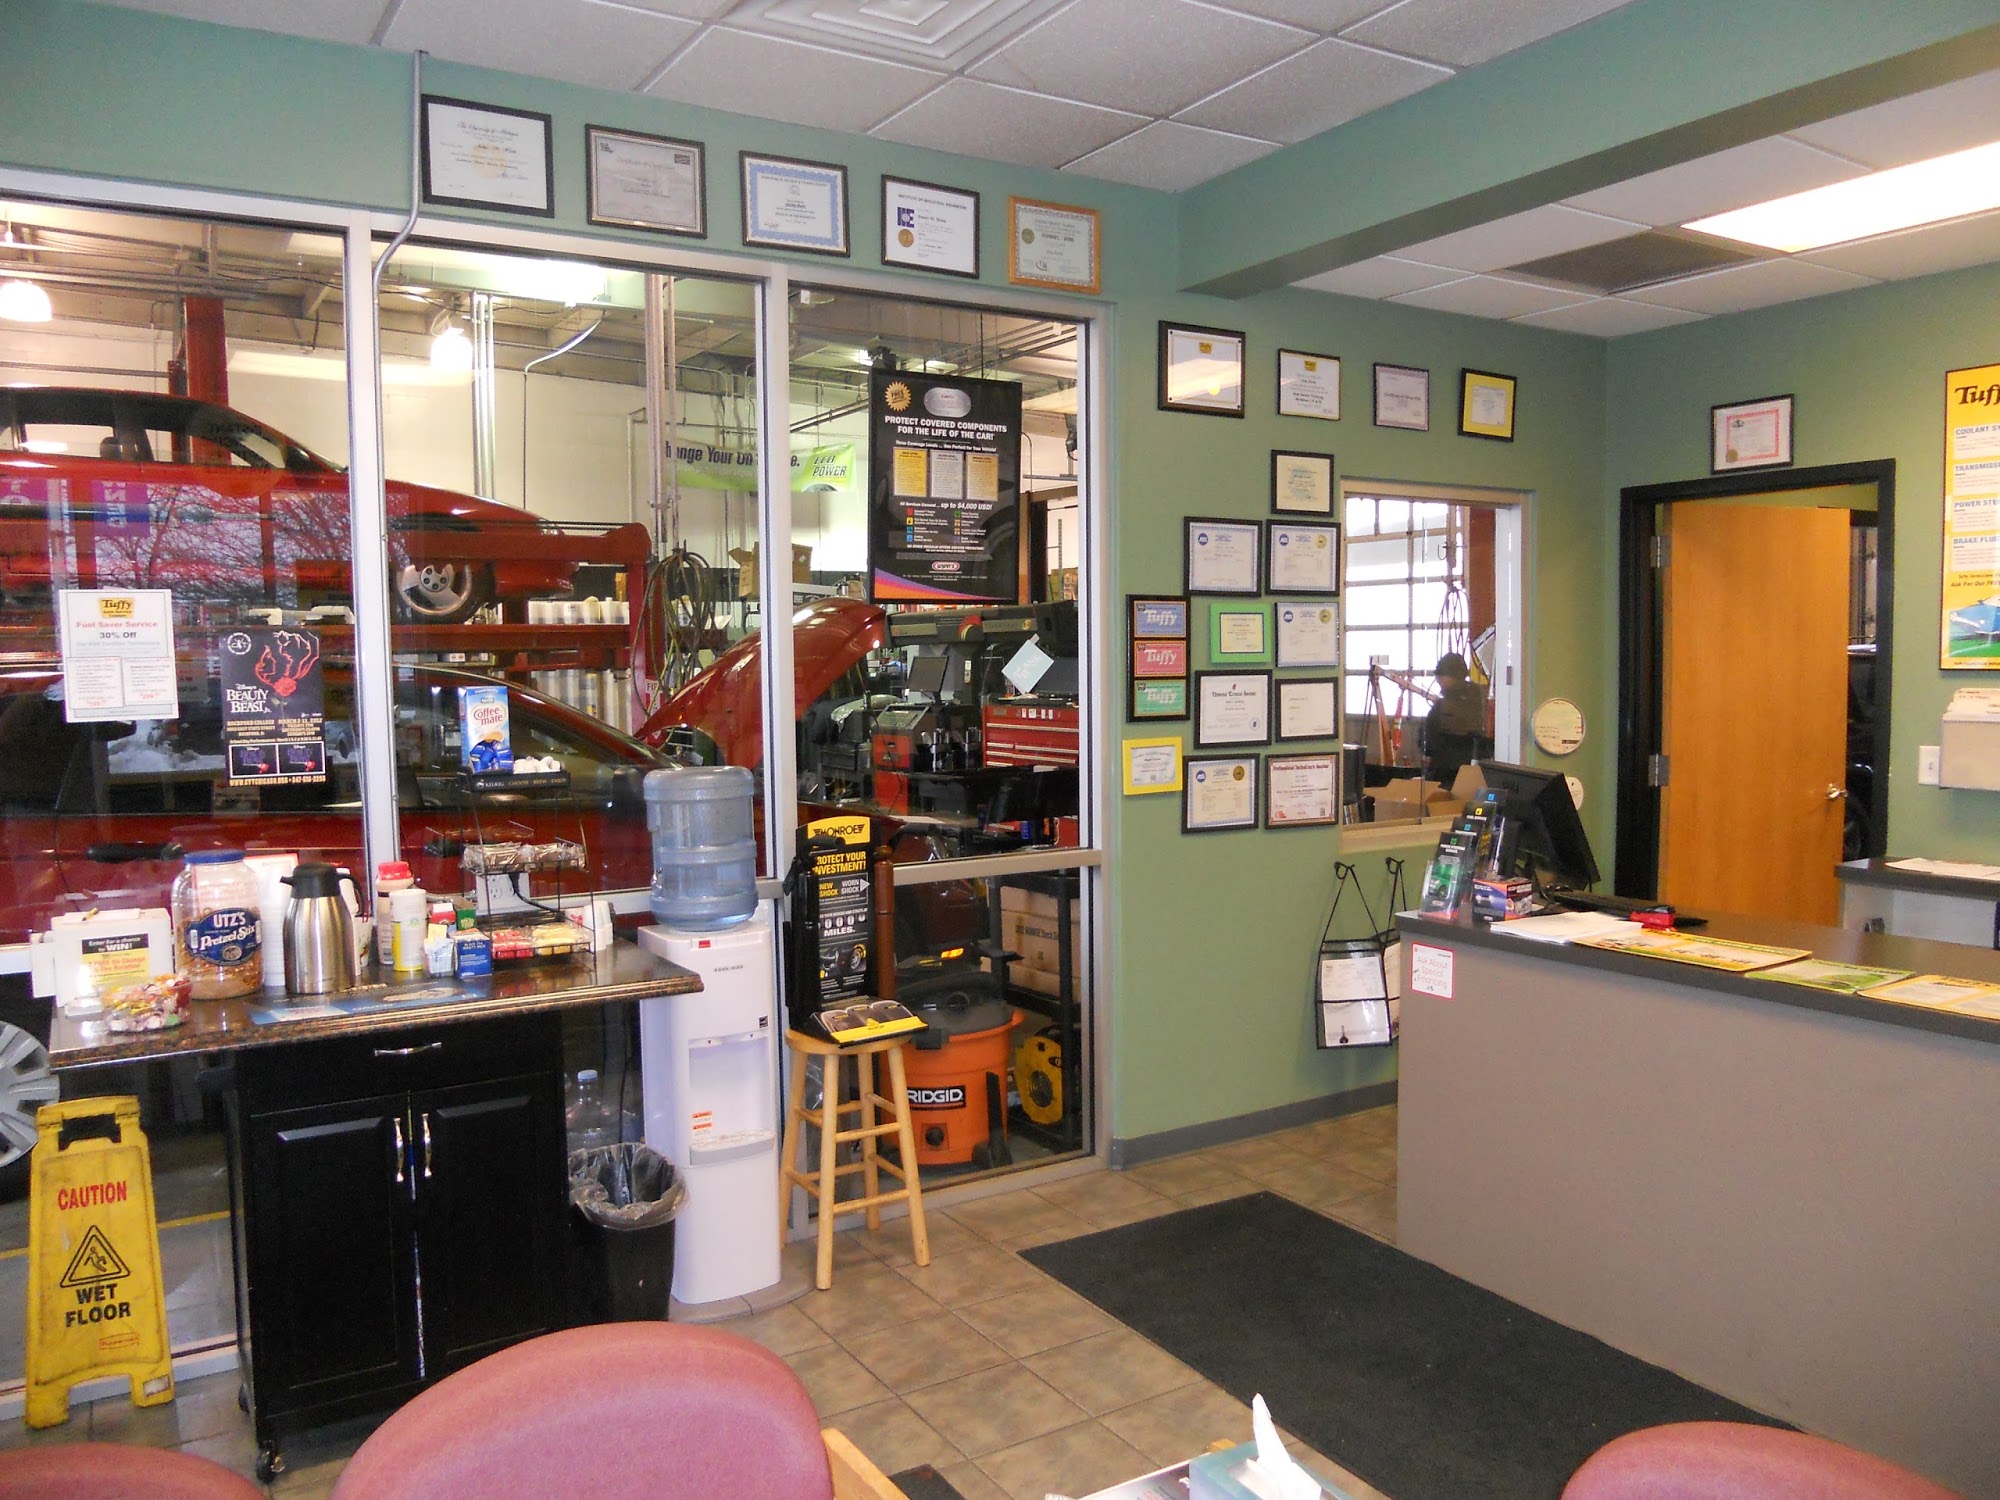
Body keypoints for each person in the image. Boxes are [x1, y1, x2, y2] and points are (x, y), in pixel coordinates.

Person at [1424, 652, 1488, 790]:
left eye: (1441, 676)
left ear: (1453, 676)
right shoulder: (1478, 697)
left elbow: (1429, 737)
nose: (1438, 680)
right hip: (1474, 771)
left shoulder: (1447, 705)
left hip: (1447, 771)